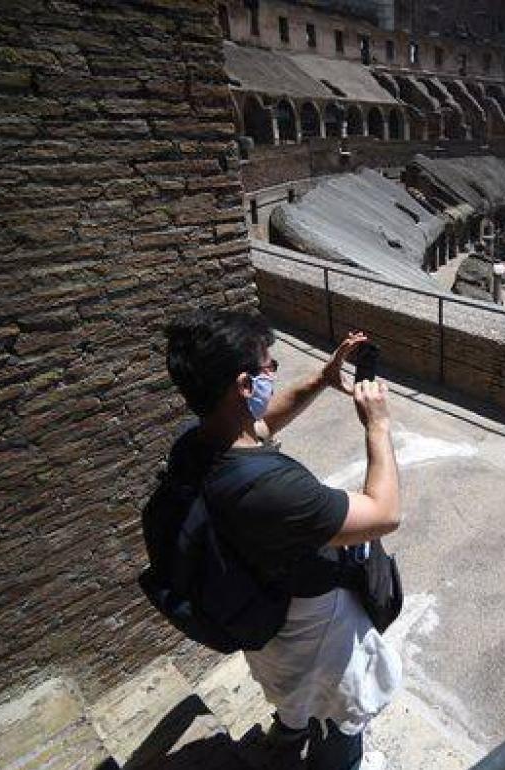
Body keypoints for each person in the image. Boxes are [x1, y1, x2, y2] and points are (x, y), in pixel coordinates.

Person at [162, 310, 400, 769]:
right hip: (315, 637)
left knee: (291, 696)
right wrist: (378, 424)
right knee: (338, 719)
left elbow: (261, 422)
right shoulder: (272, 490)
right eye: (268, 367)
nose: (275, 374)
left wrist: (322, 379)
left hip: (263, 623)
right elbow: (384, 513)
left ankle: (287, 737)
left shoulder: (197, 444)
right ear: (243, 386)